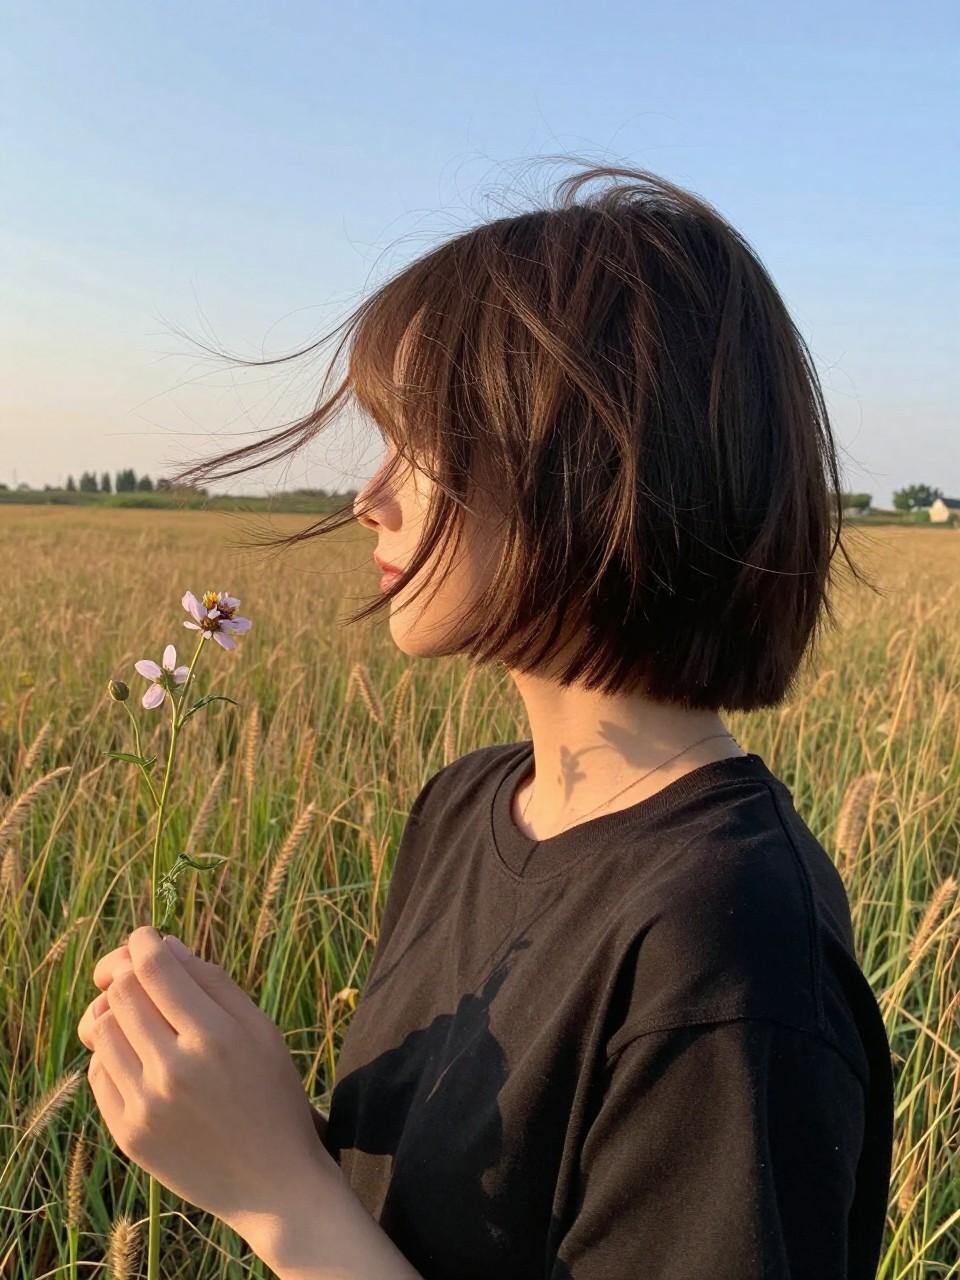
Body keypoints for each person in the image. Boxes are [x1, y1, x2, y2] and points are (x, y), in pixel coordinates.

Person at [168, 163, 895, 1278]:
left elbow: (325, 1220)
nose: (372, 496)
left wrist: (275, 1191)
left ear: (589, 470)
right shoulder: (465, 802)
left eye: (418, 439)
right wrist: (248, 1119)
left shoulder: (730, 955)